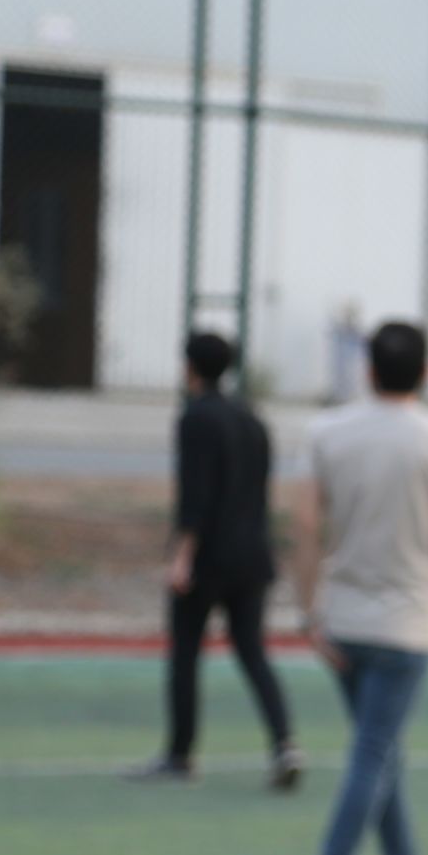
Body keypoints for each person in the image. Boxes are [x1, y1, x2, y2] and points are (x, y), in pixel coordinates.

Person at [289, 320, 428, 855]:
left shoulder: (325, 432)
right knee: (374, 751)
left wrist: (307, 612)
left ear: (367, 369)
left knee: (380, 749)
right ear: (426, 372)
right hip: (405, 625)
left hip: (344, 620)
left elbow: (305, 527)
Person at [129, 329, 299, 788]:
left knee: (185, 654)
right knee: (253, 652)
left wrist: (181, 556)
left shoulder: (195, 418)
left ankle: (180, 754)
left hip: (210, 556)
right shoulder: (253, 419)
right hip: (253, 554)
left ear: (189, 367)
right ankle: (284, 743)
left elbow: (196, 495)